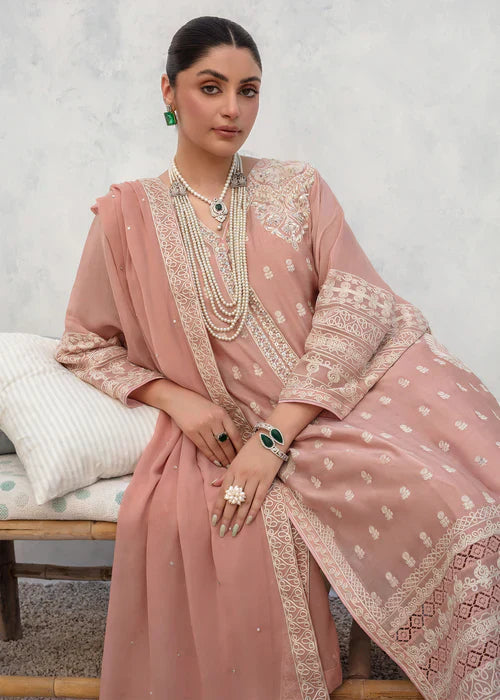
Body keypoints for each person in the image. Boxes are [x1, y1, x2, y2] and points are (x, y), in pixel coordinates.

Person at [54, 15, 500, 700]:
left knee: (462, 498)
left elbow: (355, 303)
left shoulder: (298, 187)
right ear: (169, 92)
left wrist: (273, 439)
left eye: (249, 90)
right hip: (232, 427)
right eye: (211, 87)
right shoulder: (125, 217)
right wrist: (179, 400)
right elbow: (85, 342)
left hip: (336, 399)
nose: (232, 109)